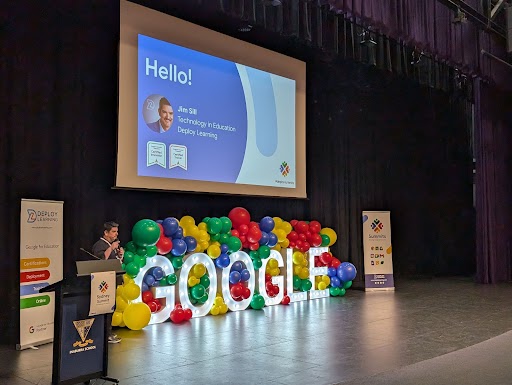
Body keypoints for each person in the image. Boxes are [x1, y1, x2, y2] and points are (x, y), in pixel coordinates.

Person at [92, 221, 124, 344]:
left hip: (113, 279)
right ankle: (105, 334)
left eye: (117, 231)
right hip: (104, 282)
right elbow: (101, 260)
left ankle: (108, 332)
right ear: (106, 232)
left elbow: (115, 262)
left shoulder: (112, 245)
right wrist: (111, 248)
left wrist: (121, 255)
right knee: (106, 307)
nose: (116, 234)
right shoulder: (100, 245)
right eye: (113, 231)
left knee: (111, 307)